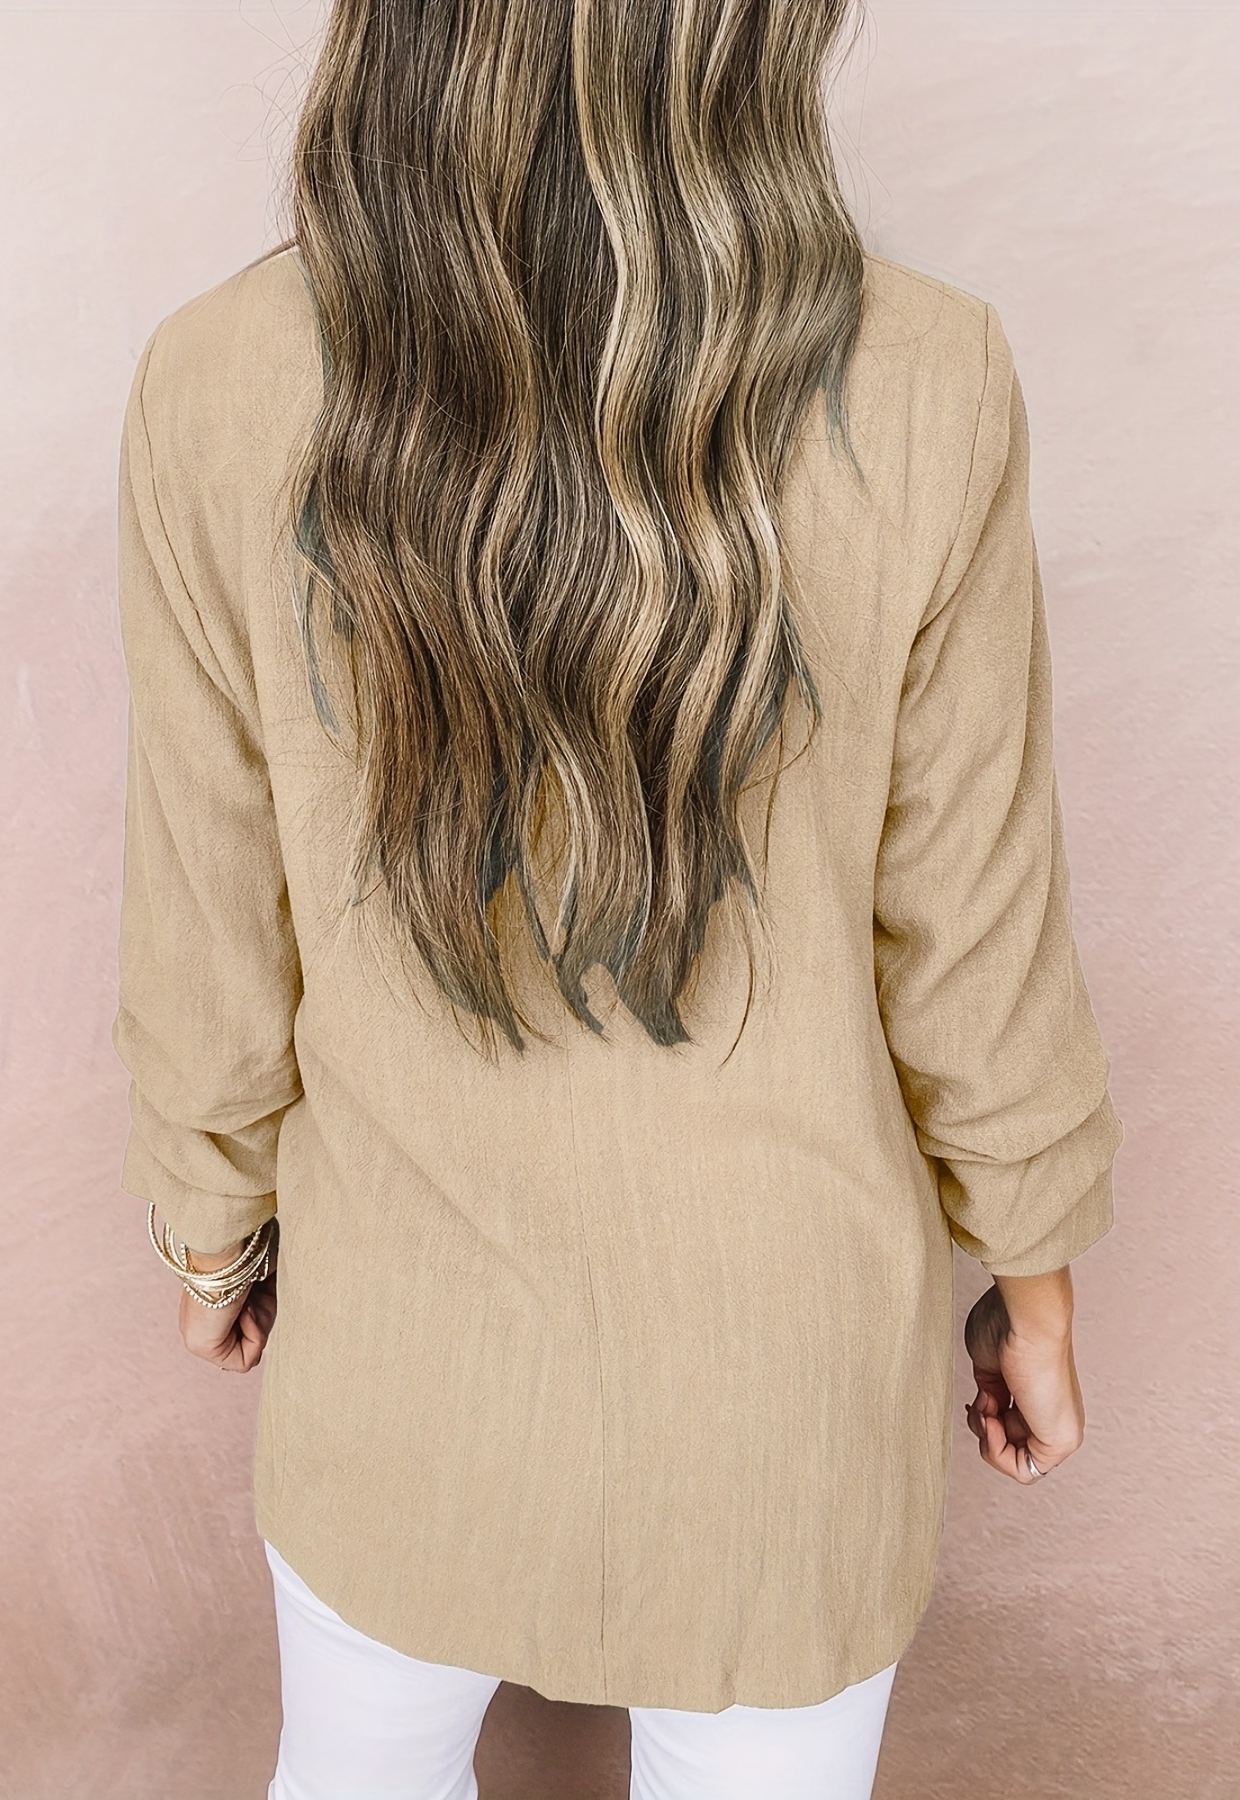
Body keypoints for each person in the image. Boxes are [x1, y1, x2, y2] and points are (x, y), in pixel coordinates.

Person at [112, 2, 1123, 1795]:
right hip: (781, 1398)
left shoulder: (212, 379)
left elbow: (209, 913)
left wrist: (212, 1231)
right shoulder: (930, 377)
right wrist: (1029, 1278)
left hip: (398, 1361)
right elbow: (973, 928)